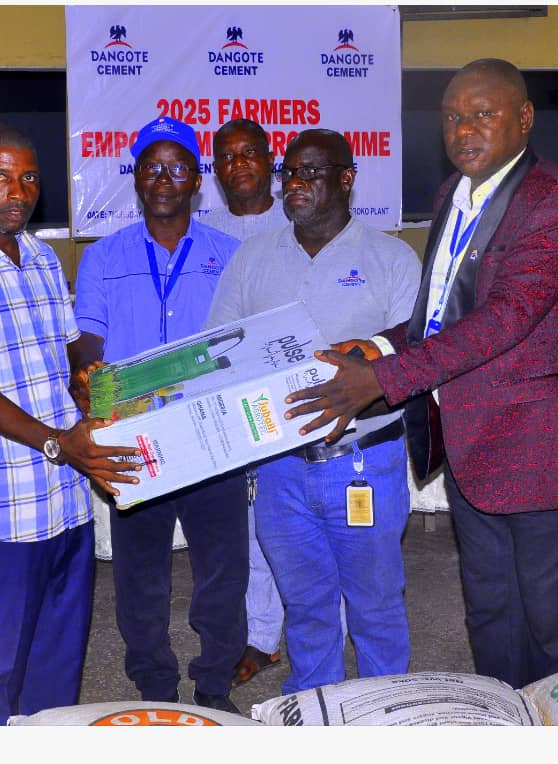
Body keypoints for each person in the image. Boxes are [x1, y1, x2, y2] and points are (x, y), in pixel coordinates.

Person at [283, 59, 558, 689]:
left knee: (553, 626)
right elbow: (440, 311)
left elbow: (506, 317)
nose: (464, 130)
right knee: (490, 613)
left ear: (524, 118)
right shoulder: (450, 197)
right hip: (470, 439)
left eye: (483, 114)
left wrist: (385, 379)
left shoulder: (556, 200)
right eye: (454, 116)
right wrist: (379, 347)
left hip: (540, 448)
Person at [0, 123, 141, 725]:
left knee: (58, 662)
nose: (18, 191)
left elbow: (68, 363)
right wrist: (60, 443)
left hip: (64, 497)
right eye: (0, 176)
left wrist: (105, 402)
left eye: (29, 177)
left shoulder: (41, 258)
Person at [205, 128, 422, 694]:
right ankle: (314, 710)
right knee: (306, 606)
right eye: (289, 173)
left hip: (364, 464)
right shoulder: (253, 258)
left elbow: (415, 359)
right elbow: (217, 351)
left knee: (375, 605)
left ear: (346, 178)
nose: (294, 183)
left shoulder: (392, 259)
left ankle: (382, 713)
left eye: (310, 172)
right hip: (279, 468)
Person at [70, 116, 249, 713]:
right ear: (137, 179)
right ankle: (154, 685)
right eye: (151, 167)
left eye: (177, 168)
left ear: (197, 180)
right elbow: (88, 339)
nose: (163, 178)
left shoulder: (231, 254)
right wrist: (86, 376)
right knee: (140, 575)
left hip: (213, 436)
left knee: (223, 571)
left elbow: (243, 341)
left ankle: (215, 685)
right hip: (134, 437)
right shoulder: (103, 257)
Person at [199, 118, 288, 686]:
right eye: (227, 156)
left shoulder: (298, 220)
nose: (239, 165)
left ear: (270, 159)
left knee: (296, 520)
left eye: (249, 152)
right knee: (247, 526)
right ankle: (262, 636)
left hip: (290, 392)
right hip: (228, 397)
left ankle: (317, 630)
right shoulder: (202, 231)